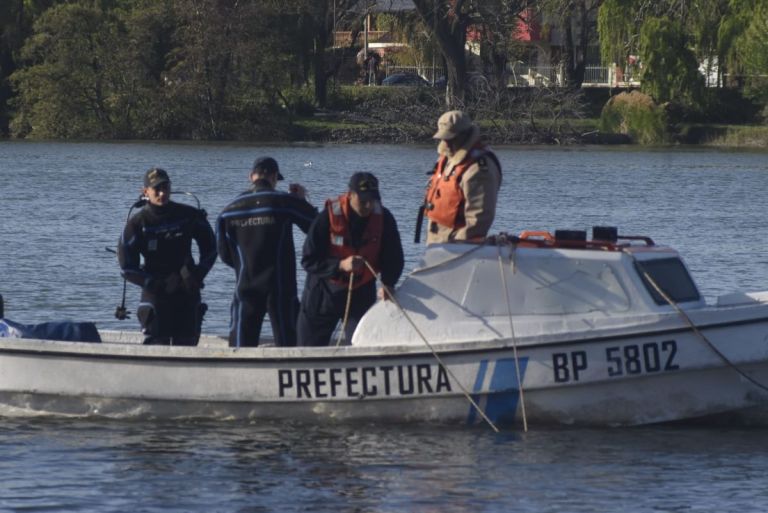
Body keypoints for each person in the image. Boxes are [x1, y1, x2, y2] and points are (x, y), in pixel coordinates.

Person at [217, 157, 317, 348]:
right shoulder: (284, 201)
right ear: (273, 178)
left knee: (241, 348)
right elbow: (316, 227)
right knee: (289, 346)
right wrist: (302, 200)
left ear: (250, 177)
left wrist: (245, 265)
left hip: (246, 285)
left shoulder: (228, 210)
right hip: (280, 287)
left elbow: (224, 254)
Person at [297, 172, 404, 347]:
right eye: (363, 201)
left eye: (373, 200)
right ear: (351, 195)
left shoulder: (384, 218)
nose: (369, 205)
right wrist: (340, 265)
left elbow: (394, 257)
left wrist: (388, 283)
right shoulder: (327, 217)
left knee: (363, 344)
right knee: (308, 347)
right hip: (324, 291)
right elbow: (309, 260)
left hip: (361, 292)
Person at [118, 168, 216, 346]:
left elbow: (211, 248)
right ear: (145, 191)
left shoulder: (188, 215)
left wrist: (197, 274)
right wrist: (154, 284)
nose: (162, 193)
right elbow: (126, 267)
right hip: (156, 291)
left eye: (166, 187)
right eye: (157, 189)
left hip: (187, 287)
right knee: (157, 342)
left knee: (187, 343)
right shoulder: (137, 223)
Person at [422, 110, 502, 244]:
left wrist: (457, 246)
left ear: (465, 135)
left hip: (457, 247)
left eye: (450, 138)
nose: (446, 143)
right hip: (437, 241)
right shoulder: (447, 159)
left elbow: (479, 218)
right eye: (443, 138)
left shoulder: (479, 169)